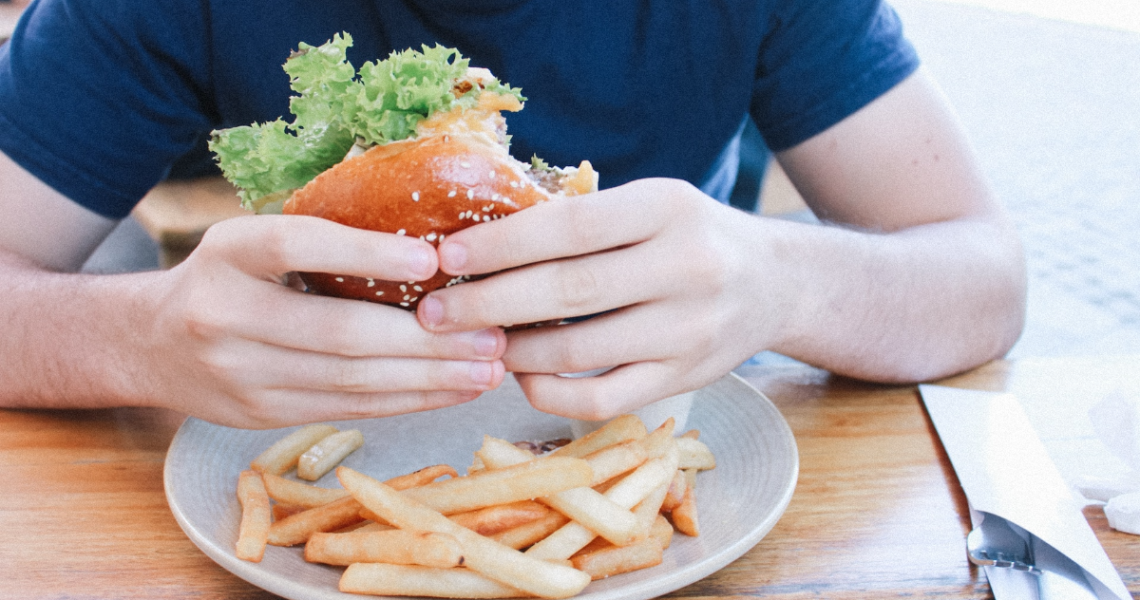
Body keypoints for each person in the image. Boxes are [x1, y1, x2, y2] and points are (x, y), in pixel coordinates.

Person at [0, 0, 1026, 429]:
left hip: (687, 471)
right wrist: (137, 338)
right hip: (293, 473)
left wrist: (789, 280)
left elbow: (985, 275)